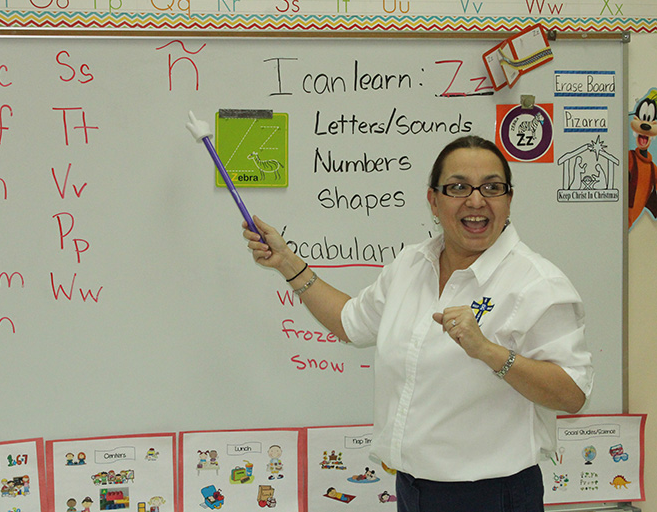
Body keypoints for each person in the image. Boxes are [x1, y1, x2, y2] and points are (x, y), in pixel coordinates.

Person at [242, 135, 594, 512]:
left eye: (492, 188)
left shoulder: (537, 284)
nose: (476, 201)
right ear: (433, 200)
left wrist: (489, 352)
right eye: (458, 187)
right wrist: (287, 264)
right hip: (413, 490)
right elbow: (351, 323)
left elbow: (572, 395)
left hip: (492, 496)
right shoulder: (412, 264)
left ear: (509, 200)